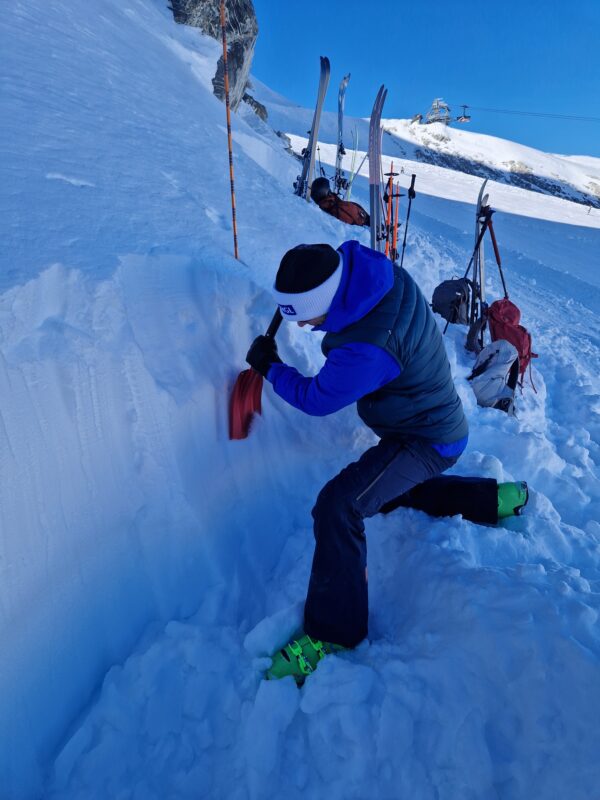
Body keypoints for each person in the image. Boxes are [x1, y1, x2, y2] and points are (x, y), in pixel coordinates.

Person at [246, 241, 528, 684]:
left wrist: (271, 367)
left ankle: (335, 631)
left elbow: (316, 399)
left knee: (340, 505)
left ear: (323, 301)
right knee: (395, 489)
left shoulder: (368, 348)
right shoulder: (369, 274)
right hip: (430, 421)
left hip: (427, 439)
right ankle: (492, 500)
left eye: (306, 317)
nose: (305, 326)